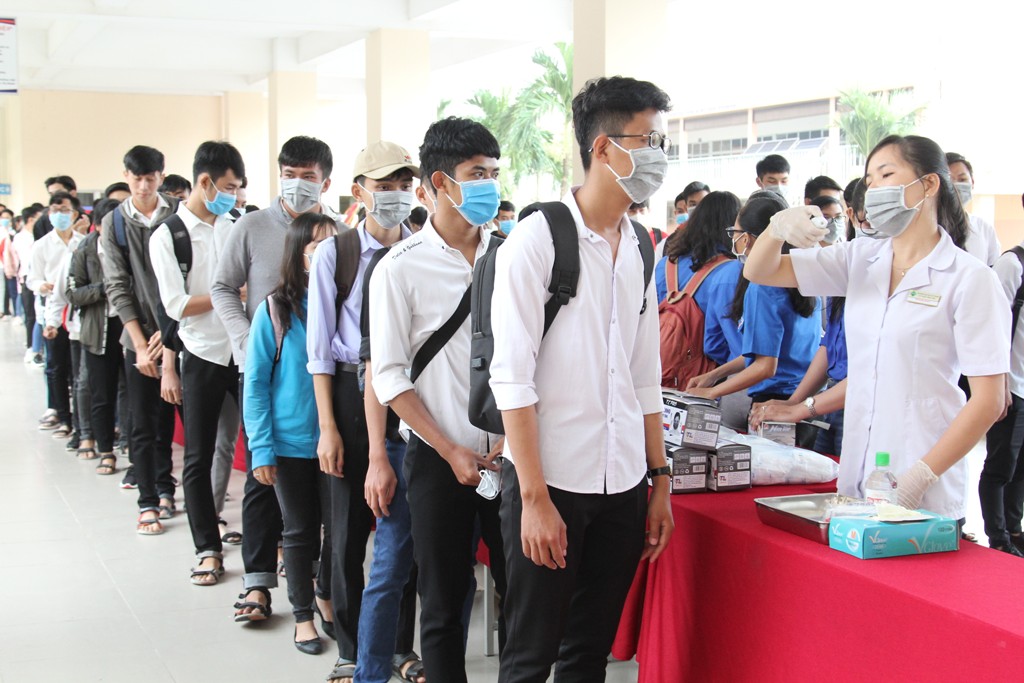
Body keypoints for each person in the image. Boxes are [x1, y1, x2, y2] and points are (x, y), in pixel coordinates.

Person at [490, 75, 674, 683]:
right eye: (648, 141)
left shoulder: (642, 245)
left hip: (622, 481)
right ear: (603, 148)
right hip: (553, 480)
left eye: (662, 142)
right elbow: (512, 380)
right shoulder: (537, 239)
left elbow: (644, 374)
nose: (659, 155)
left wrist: (659, 480)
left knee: (589, 654)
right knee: (529, 658)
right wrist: (534, 500)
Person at [744, 134, 1009, 522]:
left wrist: (919, 477)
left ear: (928, 184)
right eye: (869, 180)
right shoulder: (861, 259)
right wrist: (777, 229)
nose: (874, 189)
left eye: (886, 174)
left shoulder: (969, 278)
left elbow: (989, 401)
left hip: (924, 483)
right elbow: (760, 270)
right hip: (858, 477)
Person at [369, 116, 507, 682]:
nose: (489, 185)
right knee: (445, 602)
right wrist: (450, 449)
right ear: (439, 183)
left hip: (511, 455)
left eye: (494, 173)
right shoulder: (399, 268)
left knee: (521, 593)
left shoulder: (513, 255)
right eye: (477, 174)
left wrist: (510, 441)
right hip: (436, 458)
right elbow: (389, 376)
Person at [306, 141, 422, 682]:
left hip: (407, 395)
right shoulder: (337, 253)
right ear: (359, 192)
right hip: (352, 396)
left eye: (404, 185)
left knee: (404, 529)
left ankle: (400, 646)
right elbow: (319, 352)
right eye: (384, 186)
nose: (396, 195)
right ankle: (351, 649)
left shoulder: (420, 247)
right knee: (348, 530)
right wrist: (328, 427)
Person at [213, 135, 339, 622]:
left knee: (313, 514)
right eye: (290, 174)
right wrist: (247, 342)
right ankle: (259, 582)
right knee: (262, 484)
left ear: (325, 182)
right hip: (267, 371)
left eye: (309, 176)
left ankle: (315, 589)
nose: (298, 183)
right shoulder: (251, 226)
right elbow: (223, 287)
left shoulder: (338, 233)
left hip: (321, 395)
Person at [150, 141, 246, 585]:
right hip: (202, 353)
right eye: (228, 187)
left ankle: (269, 542)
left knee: (261, 448)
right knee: (197, 456)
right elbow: (175, 305)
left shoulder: (236, 225)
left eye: (237, 188)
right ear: (205, 182)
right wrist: (230, 296)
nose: (233, 195)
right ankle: (207, 547)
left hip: (244, 353)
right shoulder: (168, 236)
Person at [246, 212, 337, 652]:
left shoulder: (344, 304)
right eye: (317, 246)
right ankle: (303, 616)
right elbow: (255, 385)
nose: (327, 254)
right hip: (291, 444)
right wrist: (261, 449)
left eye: (333, 244)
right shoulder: (275, 310)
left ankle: (326, 596)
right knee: (300, 531)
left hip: (337, 441)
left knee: (339, 530)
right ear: (299, 254)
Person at [100, 145, 180, 535]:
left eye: (151, 178)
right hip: (138, 338)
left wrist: (169, 334)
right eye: (137, 179)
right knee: (143, 423)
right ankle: (148, 499)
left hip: (180, 334)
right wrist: (139, 343)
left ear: (161, 177)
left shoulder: (179, 214)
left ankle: (167, 488)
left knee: (174, 420)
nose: (144, 186)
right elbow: (117, 286)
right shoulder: (114, 223)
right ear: (126, 176)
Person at [686, 192, 821, 419]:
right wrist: (713, 375)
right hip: (806, 396)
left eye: (735, 232)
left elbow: (766, 366)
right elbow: (761, 352)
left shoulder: (762, 285)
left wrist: (712, 392)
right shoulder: (800, 273)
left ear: (746, 238)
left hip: (775, 400)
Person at [980, 199, 1024, 556]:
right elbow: (991, 328)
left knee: (1021, 470)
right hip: (1013, 387)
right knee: (1001, 467)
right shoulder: (1012, 265)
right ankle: (998, 539)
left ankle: (1014, 530)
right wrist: (1001, 385)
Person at [66, 198, 123, 475]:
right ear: (97, 226)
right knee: (102, 394)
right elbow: (72, 293)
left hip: (130, 327)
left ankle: (131, 448)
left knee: (131, 394)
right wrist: (103, 289)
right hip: (98, 330)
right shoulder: (84, 250)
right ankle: (106, 451)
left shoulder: (130, 247)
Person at [656, 191, 743, 365]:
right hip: (704, 371)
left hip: (661, 365)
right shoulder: (731, 271)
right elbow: (722, 345)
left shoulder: (665, 264)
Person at [30, 192, 87, 438]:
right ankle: (63, 416)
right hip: (52, 310)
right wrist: (42, 285)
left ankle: (80, 420)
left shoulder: (82, 242)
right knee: (55, 366)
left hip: (77, 311)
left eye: (64, 210)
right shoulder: (41, 245)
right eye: (54, 211)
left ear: (74, 214)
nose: (59, 215)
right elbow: (32, 279)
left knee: (78, 368)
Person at [946, 152, 1000, 266]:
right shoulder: (928, 228)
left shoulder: (984, 228)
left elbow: (994, 269)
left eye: (962, 179)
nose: (956, 186)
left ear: (972, 182)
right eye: (949, 181)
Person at [34, 176, 78, 240]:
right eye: (51, 194)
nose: (55, 197)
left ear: (73, 193)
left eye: (58, 192)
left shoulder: (84, 219)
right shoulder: (43, 221)